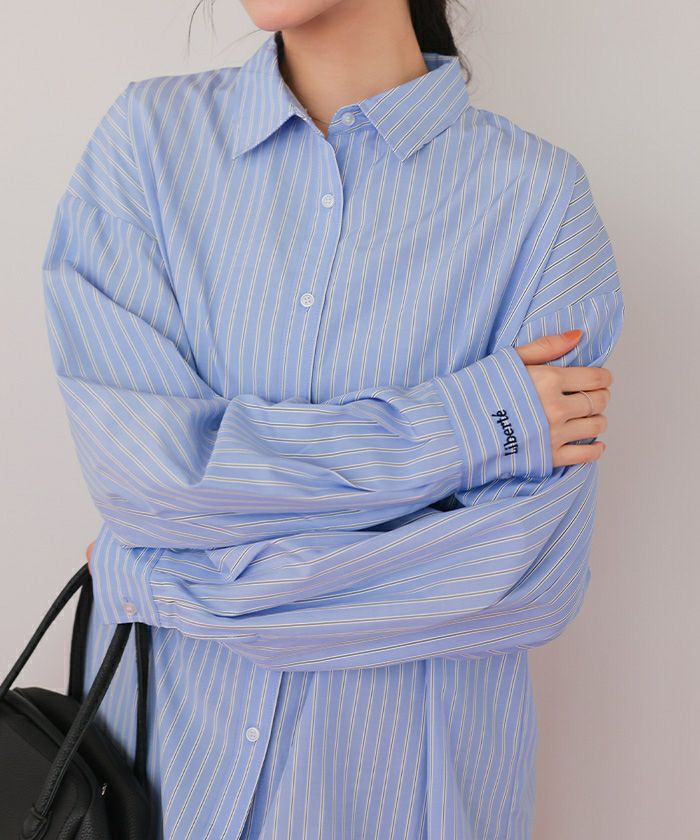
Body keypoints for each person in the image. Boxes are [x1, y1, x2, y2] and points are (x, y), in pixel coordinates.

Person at [43, 1, 625, 838]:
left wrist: (161, 579)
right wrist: (464, 424)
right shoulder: (147, 144)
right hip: (153, 785)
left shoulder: (539, 203)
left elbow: (523, 579)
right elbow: (150, 479)